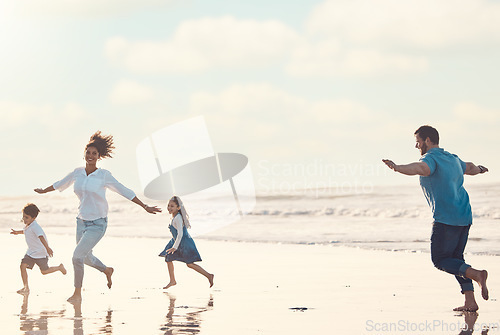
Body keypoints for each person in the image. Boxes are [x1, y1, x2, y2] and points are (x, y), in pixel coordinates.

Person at [34, 131, 161, 303]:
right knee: (85, 257)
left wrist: (144, 205)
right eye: (88, 152)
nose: (91, 156)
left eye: (94, 153)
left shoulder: (104, 175)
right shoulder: (77, 172)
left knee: (76, 256)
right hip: (81, 221)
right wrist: (44, 191)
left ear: (99, 156)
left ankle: (77, 294)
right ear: (84, 154)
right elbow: (60, 183)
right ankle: (107, 270)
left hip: (98, 224)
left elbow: (124, 190)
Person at [382, 125, 489, 312]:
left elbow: (420, 168)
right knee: (457, 259)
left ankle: (477, 275)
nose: (416, 146)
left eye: (418, 141)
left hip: (446, 219)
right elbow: (470, 167)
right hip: (465, 215)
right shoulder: (453, 158)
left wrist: (397, 167)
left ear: (428, 141)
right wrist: (480, 169)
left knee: (440, 260)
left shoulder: (430, 159)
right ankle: (470, 302)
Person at [159, 196, 214, 289]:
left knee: (190, 264)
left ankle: (209, 275)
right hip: (175, 241)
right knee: (168, 258)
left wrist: (175, 247)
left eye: (172, 206)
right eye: (168, 205)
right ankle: (172, 281)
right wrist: (174, 245)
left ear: (178, 207)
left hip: (184, 243)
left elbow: (180, 233)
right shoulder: (173, 217)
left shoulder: (178, 218)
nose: (169, 208)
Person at [11, 203, 67, 295]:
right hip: (30, 252)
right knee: (22, 266)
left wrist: (48, 248)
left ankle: (59, 267)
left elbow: (41, 237)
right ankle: (26, 287)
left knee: (44, 271)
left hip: (41, 253)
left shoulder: (35, 227)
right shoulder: (28, 225)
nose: (24, 219)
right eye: (23, 217)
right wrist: (17, 232)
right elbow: (25, 232)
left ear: (33, 218)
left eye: (26, 217)